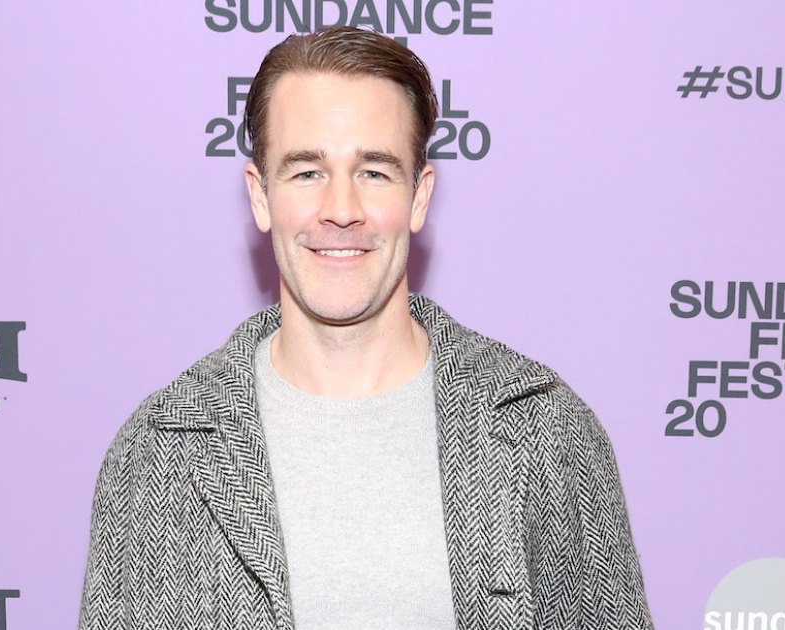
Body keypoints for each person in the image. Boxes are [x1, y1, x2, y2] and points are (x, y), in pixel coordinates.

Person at [78, 26, 652, 630]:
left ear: (419, 197)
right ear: (260, 196)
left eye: (374, 172)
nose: (341, 210)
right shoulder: (158, 449)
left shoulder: (545, 429)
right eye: (307, 172)